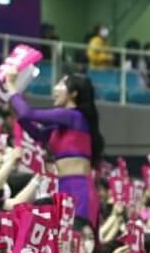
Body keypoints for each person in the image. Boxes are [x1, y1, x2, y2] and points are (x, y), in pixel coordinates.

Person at [8, 73, 104, 225]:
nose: (55, 89)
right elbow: (37, 134)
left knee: (78, 239)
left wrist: (11, 87)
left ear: (74, 93)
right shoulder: (60, 127)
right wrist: (16, 109)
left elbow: (28, 113)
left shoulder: (74, 116)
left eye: (61, 84)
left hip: (80, 188)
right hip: (63, 186)